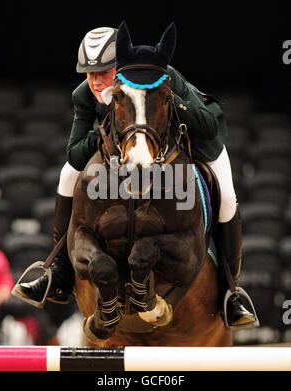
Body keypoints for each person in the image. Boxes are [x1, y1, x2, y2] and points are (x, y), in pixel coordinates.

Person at [13, 24, 257, 329]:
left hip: (198, 141)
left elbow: (208, 127)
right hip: (129, 148)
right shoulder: (84, 96)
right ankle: (58, 271)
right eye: (89, 73)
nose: (96, 81)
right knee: (66, 176)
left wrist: (169, 103)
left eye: (104, 71)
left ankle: (231, 290)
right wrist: (106, 123)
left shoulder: (164, 78)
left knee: (228, 197)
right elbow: (75, 154)